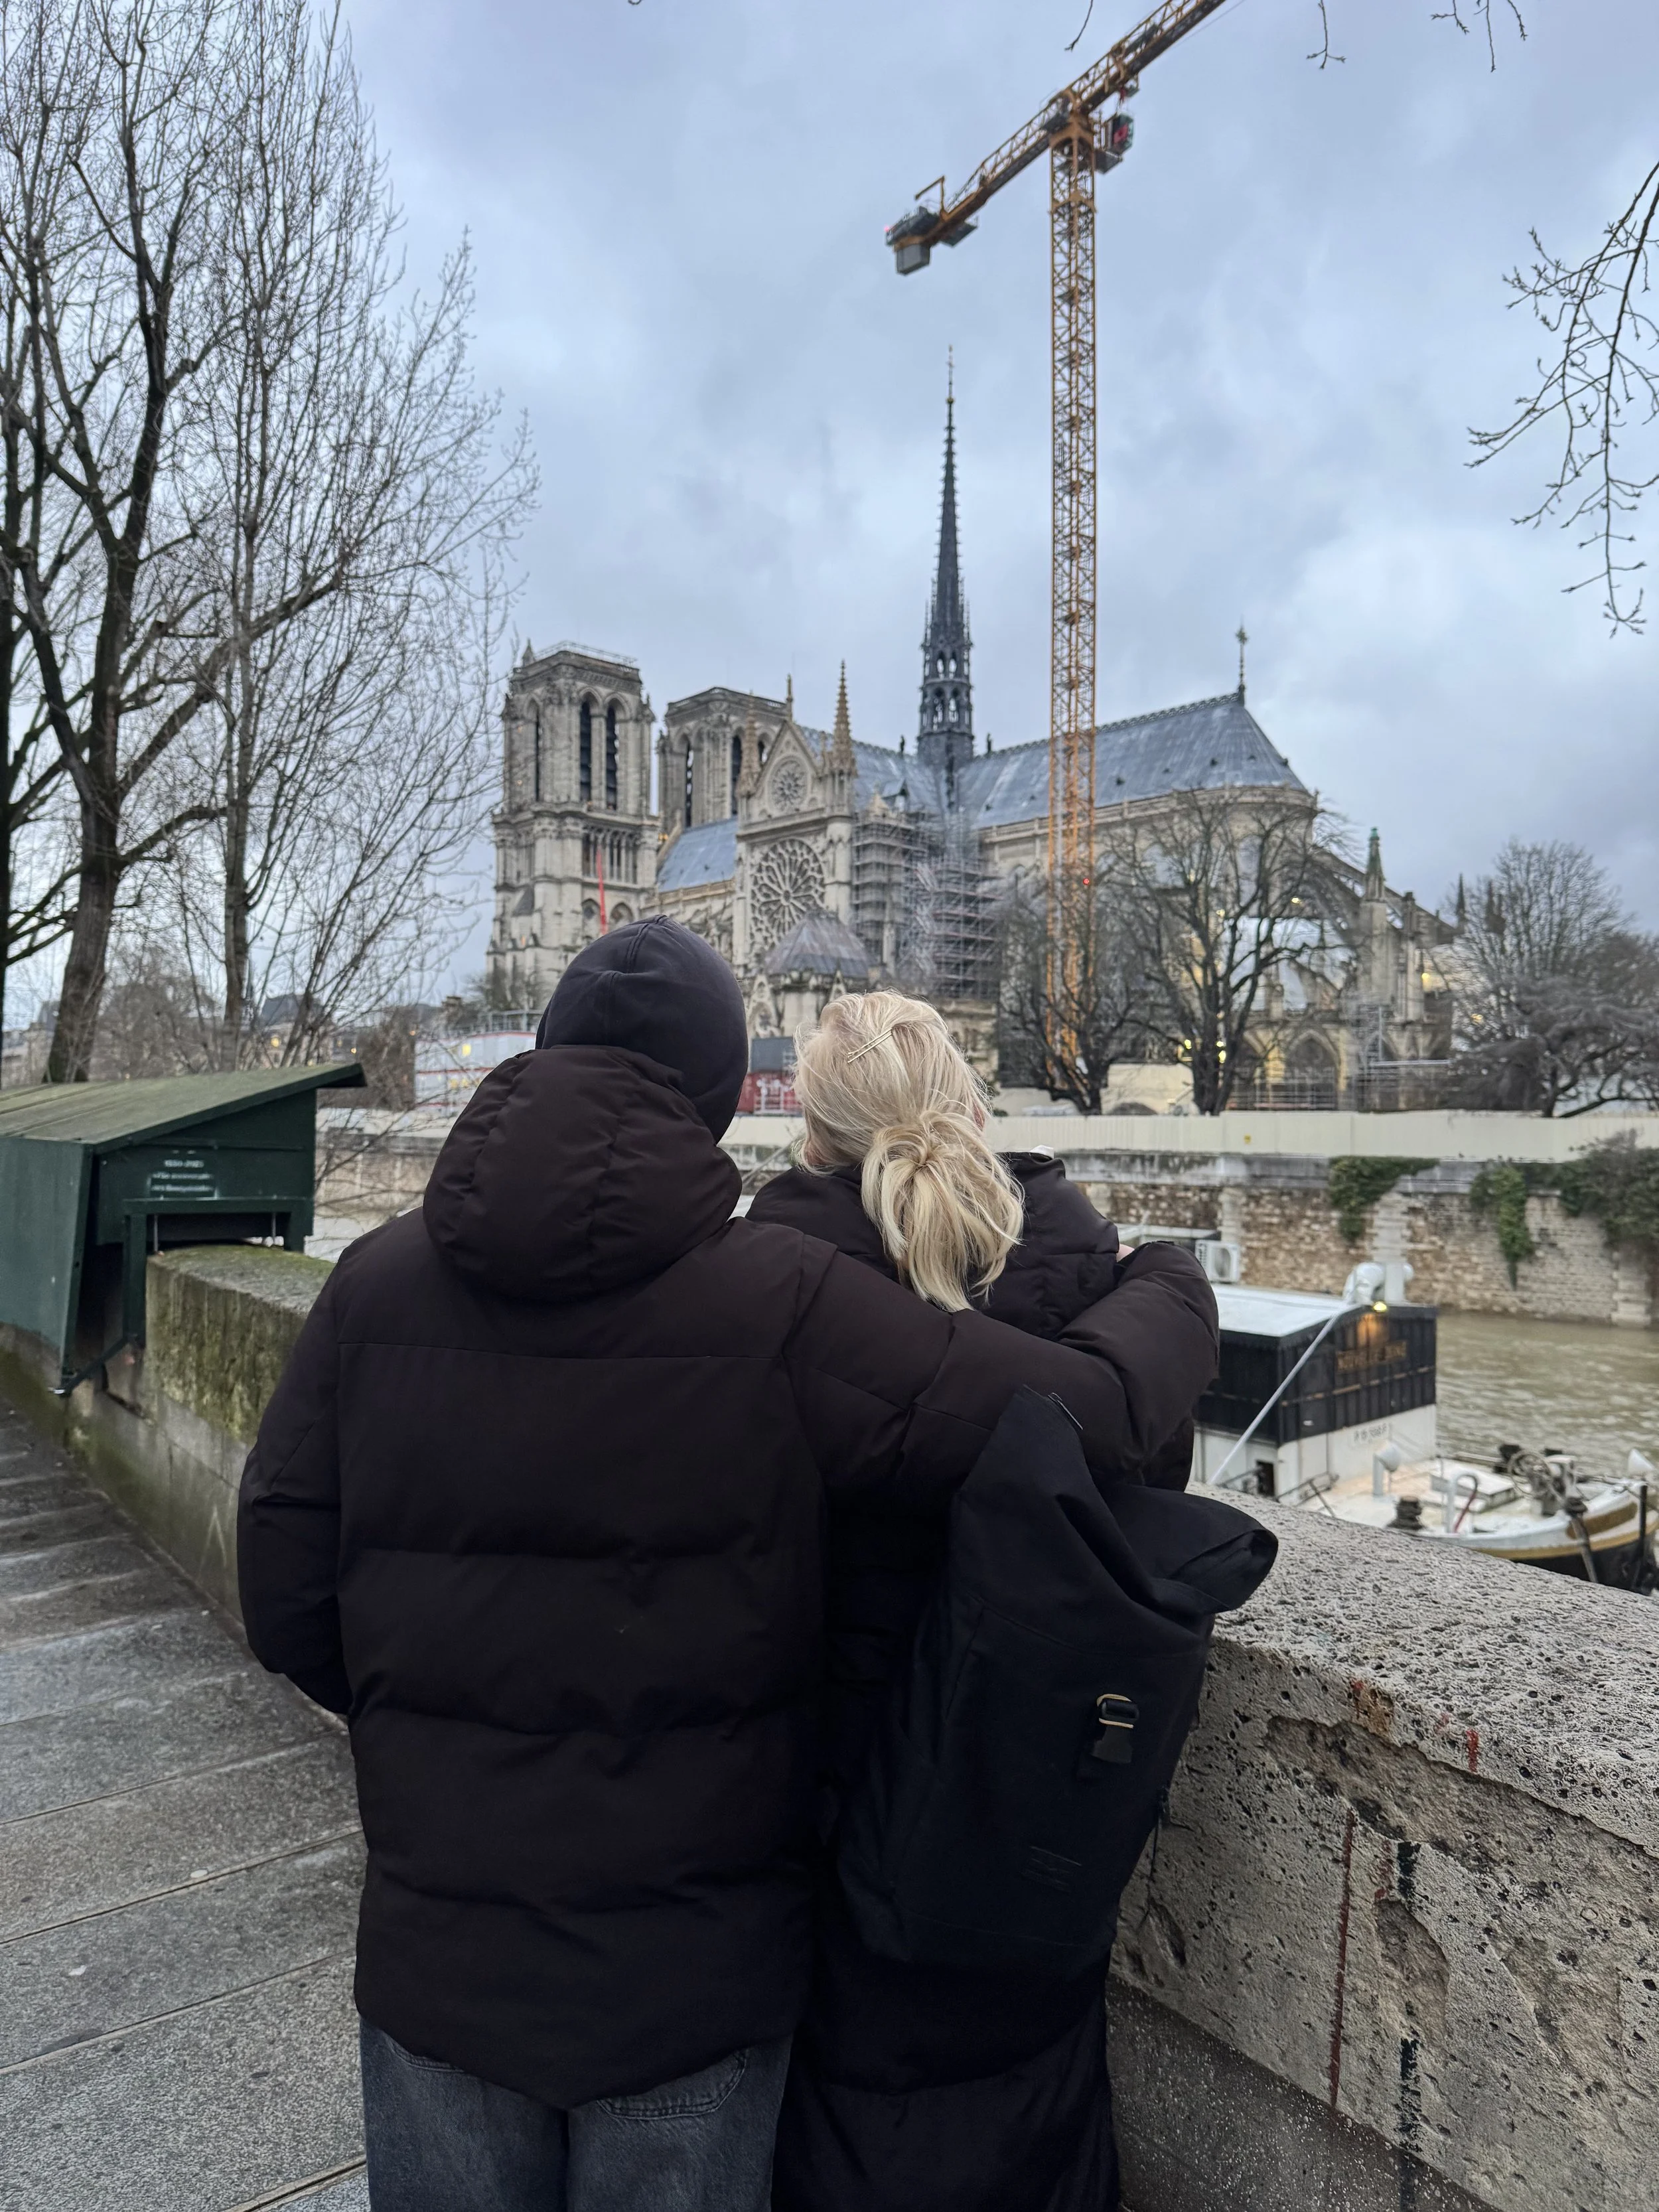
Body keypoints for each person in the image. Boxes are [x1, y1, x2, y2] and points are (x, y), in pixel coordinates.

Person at [238, 920, 1218, 2212]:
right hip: (692, 1982)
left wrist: (447, 1738)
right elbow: (1077, 1420)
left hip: (441, 1957)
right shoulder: (781, 1302)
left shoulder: (369, 1287)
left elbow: (285, 1596)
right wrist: (1164, 1279)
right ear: (716, 1094)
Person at [749, 990, 1207, 2212]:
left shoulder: (768, 1280)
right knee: (1032, 2089)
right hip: (1047, 1780)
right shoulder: (1084, 1261)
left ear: (811, 1123)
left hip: (842, 1786)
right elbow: (1148, 1492)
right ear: (972, 1099)